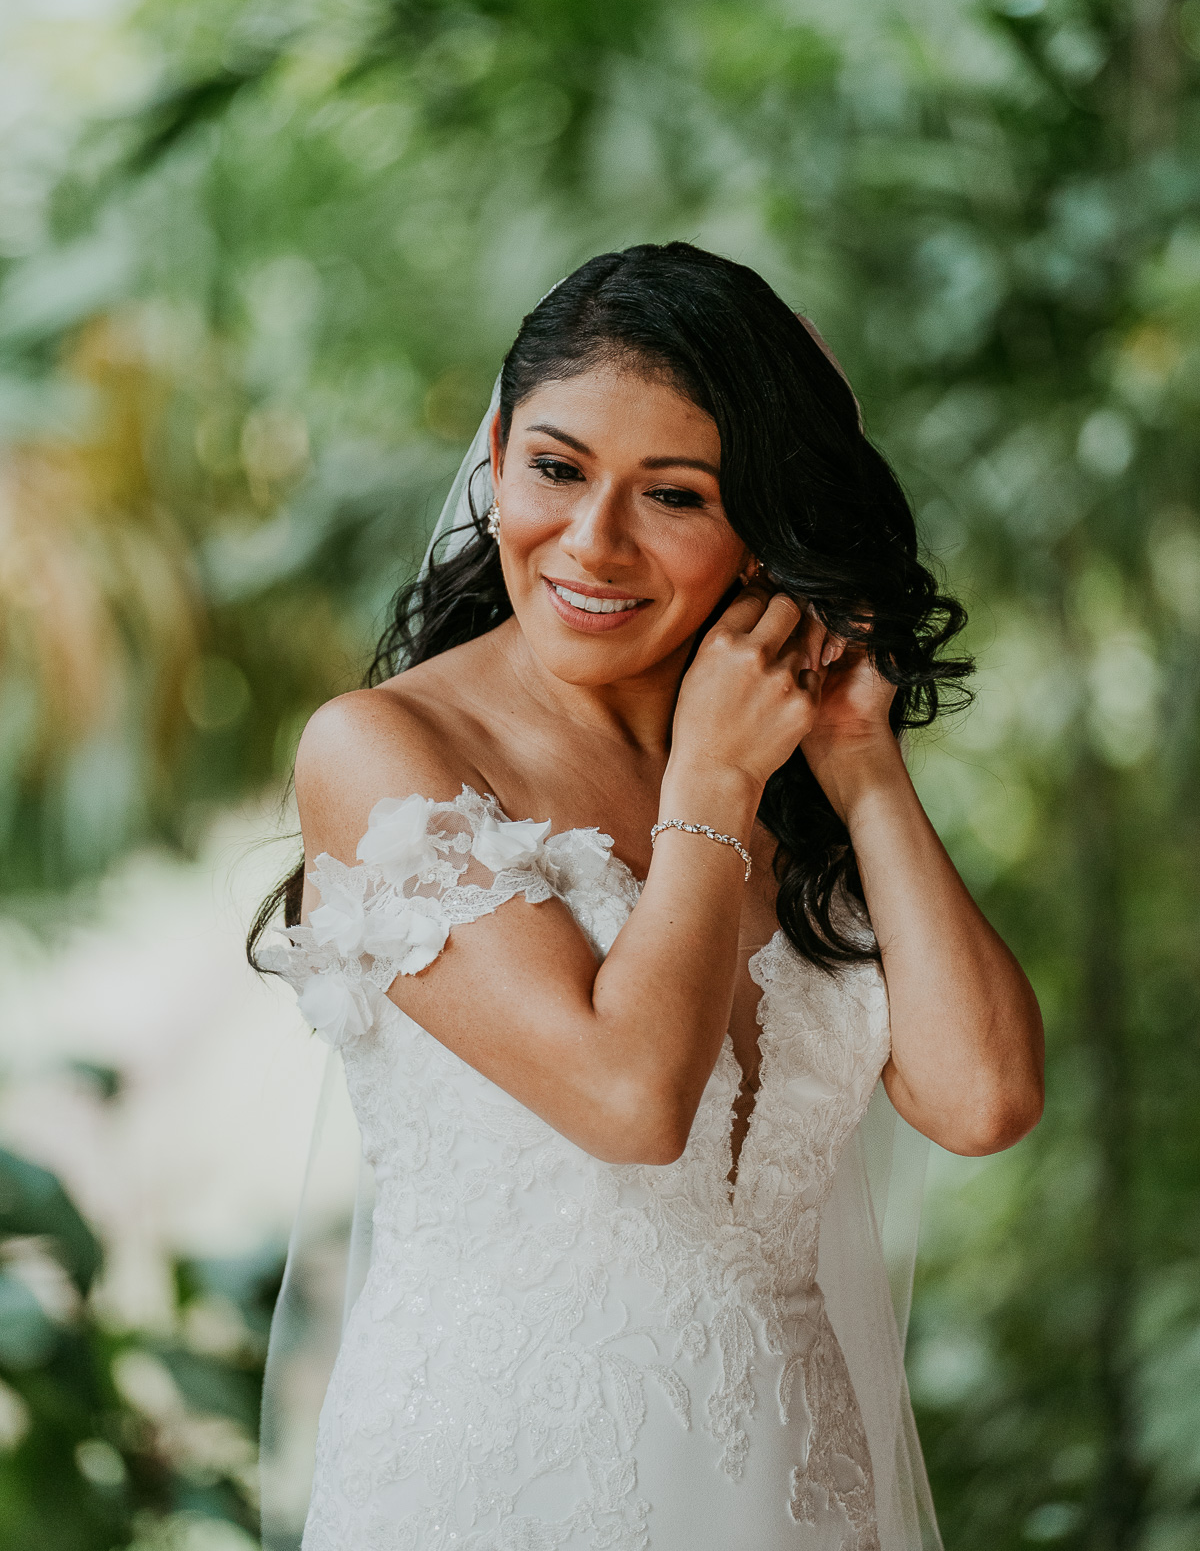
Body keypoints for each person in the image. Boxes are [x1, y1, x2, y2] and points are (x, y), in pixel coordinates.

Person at [250, 242, 1044, 1551]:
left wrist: (860, 762)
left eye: (674, 494)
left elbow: (984, 1098)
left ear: (761, 525)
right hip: (509, 1486)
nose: (594, 541)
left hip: (794, 1487)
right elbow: (628, 1103)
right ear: (498, 453)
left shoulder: (792, 768)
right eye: (557, 468)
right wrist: (714, 783)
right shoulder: (387, 753)